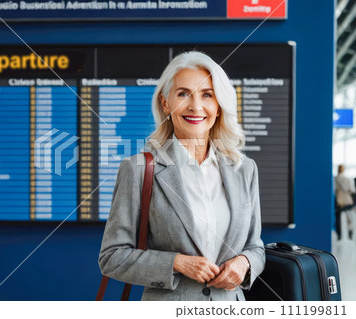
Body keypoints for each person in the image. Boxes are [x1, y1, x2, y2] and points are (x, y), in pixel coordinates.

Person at [98, 51, 265, 301]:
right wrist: (177, 263)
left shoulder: (244, 169)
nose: (195, 106)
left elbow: (256, 247)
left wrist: (244, 262)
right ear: (166, 103)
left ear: (218, 107)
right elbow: (112, 257)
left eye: (207, 95)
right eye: (183, 94)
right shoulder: (139, 169)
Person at [334, 164, 355, 240]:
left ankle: (339, 235)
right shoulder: (348, 179)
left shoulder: (335, 179)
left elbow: (333, 190)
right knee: (349, 218)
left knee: (338, 219)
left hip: (339, 201)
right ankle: (350, 234)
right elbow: (352, 190)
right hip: (347, 200)